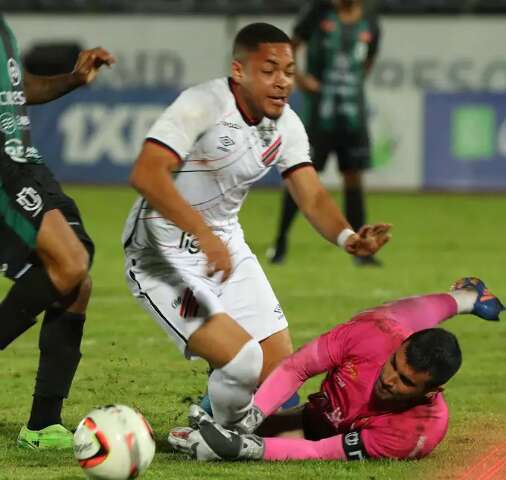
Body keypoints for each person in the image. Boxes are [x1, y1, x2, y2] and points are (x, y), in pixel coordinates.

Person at [123, 22, 390, 431]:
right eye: (269, 70)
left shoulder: (286, 126)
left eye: (288, 71)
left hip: (225, 246)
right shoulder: (201, 105)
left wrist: (348, 237)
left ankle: (216, 421)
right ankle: (225, 440)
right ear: (239, 71)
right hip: (162, 256)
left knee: (280, 375)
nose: (282, 81)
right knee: (243, 361)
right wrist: (202, 234)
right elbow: (146, 173)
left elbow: (312, 196)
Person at [168, 277, 504, 461]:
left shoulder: (415, 432)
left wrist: (248, 447)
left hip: (324, 424)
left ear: (430, 393)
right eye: (394, 366)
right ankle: (467, 297)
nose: (389, 380)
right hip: (398, 321)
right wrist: (252, 416)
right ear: (399, 349)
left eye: (404, 382)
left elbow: (319, 449)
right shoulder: (372, 334)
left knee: (257, 436)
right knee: (429, 308)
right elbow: (296, 368)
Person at [0, 16, 115, 449]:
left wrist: (73, 80)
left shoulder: (2, 27)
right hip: (3, 166)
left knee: (76, 283)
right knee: (69, 263)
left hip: (25, 162)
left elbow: (19, 89)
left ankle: (42, 424)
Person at [268, 0, 381, 266]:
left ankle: (361, 252)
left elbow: (369, 60)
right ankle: (280, 241)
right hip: (319, 115)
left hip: (352, 115)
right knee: (303, 176)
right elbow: (289, 48)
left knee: (353, 177)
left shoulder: (370, 19)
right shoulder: (317, 12)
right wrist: (301, 79)